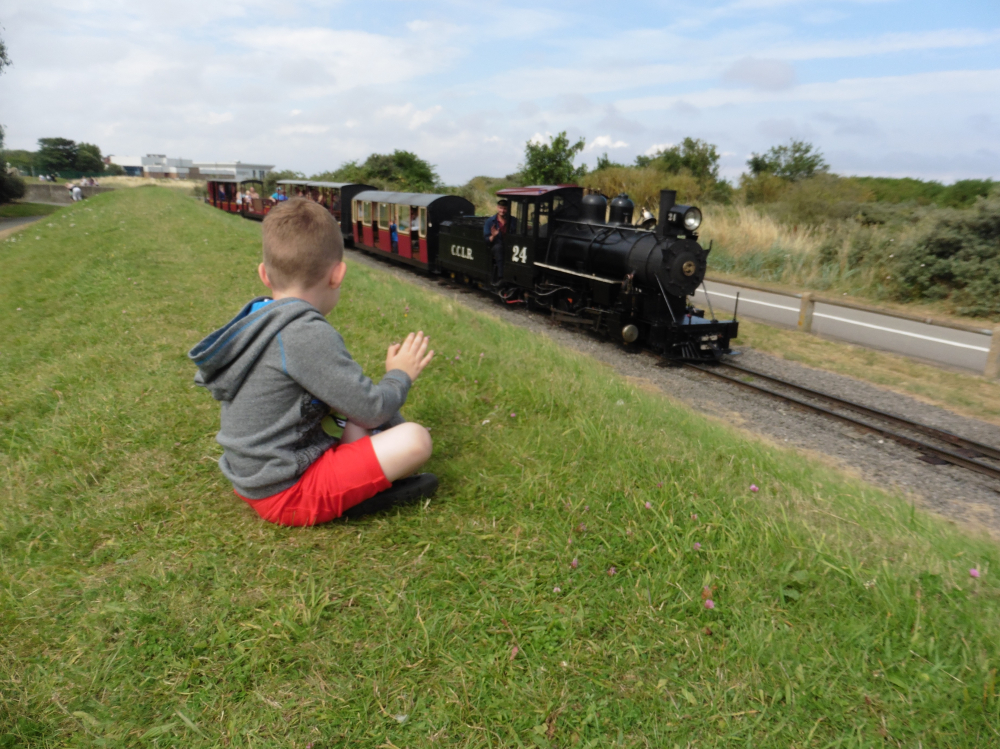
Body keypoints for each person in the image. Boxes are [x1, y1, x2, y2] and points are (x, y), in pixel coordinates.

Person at [188, 198, 437, 526]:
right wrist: (399, 375)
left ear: (264, 274)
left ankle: (358, 477)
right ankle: (355, 497)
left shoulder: (260, 318)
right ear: (338, 275)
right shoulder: (303, 333)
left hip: (254, 478)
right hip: (287, 493)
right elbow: (373, 409)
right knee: (415, 440)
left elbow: (352, 402)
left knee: (355, 412)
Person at [483, 198, 512, 284]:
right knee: (499, 248)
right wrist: (493, 235)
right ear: (497, 208)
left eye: (504, 208)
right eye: (501, 208)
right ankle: (500, 276)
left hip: (509, 245)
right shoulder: (490, 221)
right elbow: (487, 239)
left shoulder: (513, 220)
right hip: (495, 245)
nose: (502, 211)